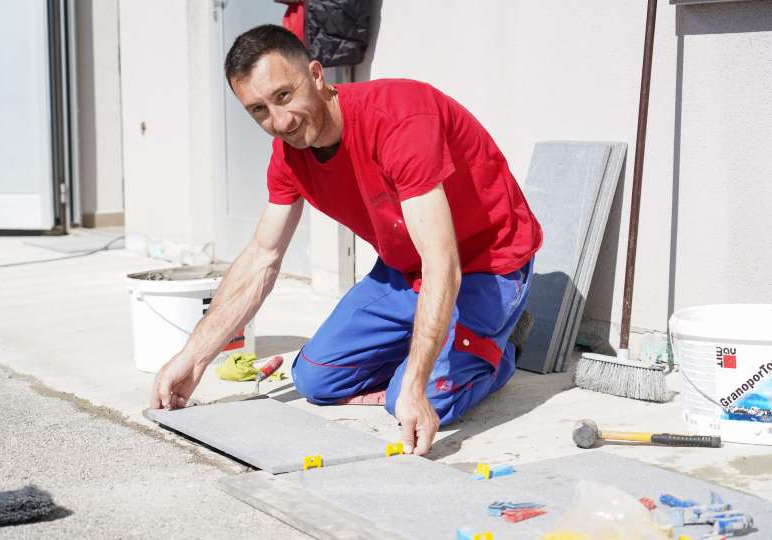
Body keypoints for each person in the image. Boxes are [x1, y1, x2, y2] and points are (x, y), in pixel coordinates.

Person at [150, 24, 542, 456]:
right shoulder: (289, 157)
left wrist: (414, 386)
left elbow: (442, 261)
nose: (280, 122)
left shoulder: (398, 118)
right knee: (316, 380)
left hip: (485, 264)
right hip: (404, 271)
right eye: (259, 110)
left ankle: (500, 352)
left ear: (317, 75)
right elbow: (262, 256)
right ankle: (440, 348)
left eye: (284, 95)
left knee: (412, 399)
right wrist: (193, 357)